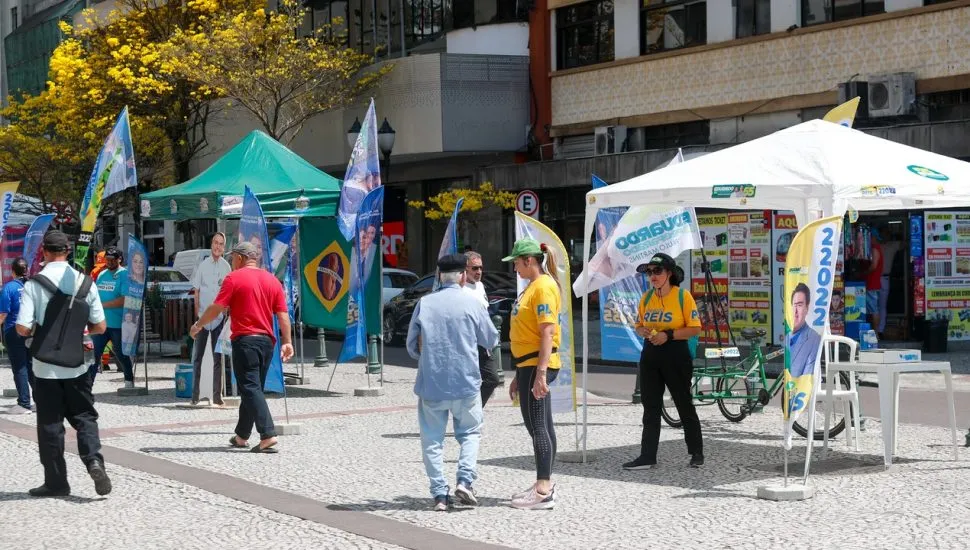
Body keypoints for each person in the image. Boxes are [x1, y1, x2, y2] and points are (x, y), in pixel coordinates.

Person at [16, 230, 111, 497]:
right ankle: (93, 460)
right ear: (67, 252)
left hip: (44, 367)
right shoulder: (86, 283)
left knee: (50, 423)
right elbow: (100, 326)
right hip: (77, 364)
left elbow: (22, 328)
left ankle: (57, 482)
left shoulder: (34, 284)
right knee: (84, 416)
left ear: (44, 252)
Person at [406, 254, 499, 511]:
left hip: (432, 382)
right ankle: (465, 480)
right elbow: (490, 339)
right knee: (470, 433)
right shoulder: (472, 304)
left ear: (439, 275)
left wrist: (426, 357)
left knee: (432, 440)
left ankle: (439, 494)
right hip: (466, 381)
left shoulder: (424, 304)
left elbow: (411, 345)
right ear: (462, 276)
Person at [191, 241, 293, 454]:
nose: (231, 261)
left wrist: (199, 325)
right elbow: (283, 314)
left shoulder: (233, 278)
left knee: (250, 388)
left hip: (245, 340)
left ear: (239, 257)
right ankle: (241, 435)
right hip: (267, 343)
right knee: (252, 388)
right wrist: (287, 342)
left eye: (232, 258)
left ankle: (267, 434)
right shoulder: (272, 280)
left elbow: (217, 307)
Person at [623, 253, 704, 471]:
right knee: (650, 407)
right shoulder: (646, 298)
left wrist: (668, 335)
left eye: (657, 271)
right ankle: (647, 456)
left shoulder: (682, 296)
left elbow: (695, 328)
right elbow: (638, 325)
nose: (652, 276)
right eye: (649, 272)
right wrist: (642, 330)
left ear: (669, 273)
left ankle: (696, 452)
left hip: (675, 353)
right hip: (650, 354)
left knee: (683, 403)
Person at [503, 238, 562, 510]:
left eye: (516, 262)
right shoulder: (532, 287)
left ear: (528, 260)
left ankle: (543, 489)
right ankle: (544, 483)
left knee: (537, 425)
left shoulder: (543, 287)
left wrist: (540, 373)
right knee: (540, 425)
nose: (514, 267)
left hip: (538, 364)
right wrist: (518, 373)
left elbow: (547, 331)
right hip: (527, 364)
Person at [190, 232, 232, 406]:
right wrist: (197, 315)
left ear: (224, 247)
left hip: (219, 318)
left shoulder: (226, 267)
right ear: (211, 244)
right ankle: (195, 395)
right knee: (197, 357)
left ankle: (217, 395)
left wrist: (226, 312)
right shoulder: (202, 266)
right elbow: (197, 291)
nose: (218, 246)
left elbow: (229, 293)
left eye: (221, 244)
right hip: (203, 318)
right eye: (215, 243)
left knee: (218, 358)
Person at [89, 247, 135, 387]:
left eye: (112, 260)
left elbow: (124, 299)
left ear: (119, 259)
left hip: (117, 323)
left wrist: (102, 305)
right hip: (101, 323)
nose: (109, 262)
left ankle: (128, 379)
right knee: (94, 355)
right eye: (107, 260)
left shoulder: (125, 275)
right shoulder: (102, 274)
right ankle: (88, 385)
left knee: (120, 354)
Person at [463, 251, 500, 407]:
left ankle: (475, 411)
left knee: (492, 379)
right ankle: (467, 416)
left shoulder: (480, 286)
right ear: (465, 269)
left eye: (480, 268)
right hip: (467, 342)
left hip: (482, 342)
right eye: (474, 268)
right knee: (468, 382)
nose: (479, 272)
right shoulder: (460, 289)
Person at [1, 258, 33, 414]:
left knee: (19, 367)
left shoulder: (9, 287)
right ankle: (41, 401)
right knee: (31, 366)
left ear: (13, 271)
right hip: (31, 330)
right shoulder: (32, 286)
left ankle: (24, 403)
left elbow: (3, 314)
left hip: (14, 330)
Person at [788, 283, 823, 379]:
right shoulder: (787, 336)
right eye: (794, 305)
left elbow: (807, 379)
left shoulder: (814, 338)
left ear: (807, 308)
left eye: (799, 305)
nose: (795, 312)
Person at [865, 230, 884, 338]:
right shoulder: (876, 248)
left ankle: (875, 333)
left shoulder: (875, 248)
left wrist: (863, 273)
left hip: (872, 283)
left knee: (873, 310)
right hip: (873, 283)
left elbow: (873, 266)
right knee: (872, 309)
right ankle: (873, 333)